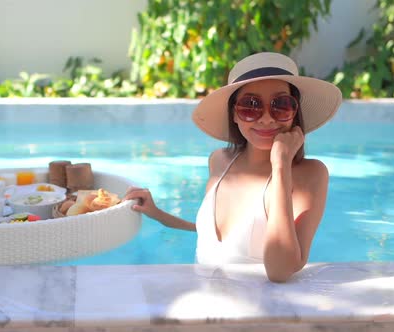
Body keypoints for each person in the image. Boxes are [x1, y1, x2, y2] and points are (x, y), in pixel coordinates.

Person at [124, 52, 342, 283]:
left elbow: (281, 271)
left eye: (281, 105)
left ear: (295, 113)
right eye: (250, 106)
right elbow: (217, 239)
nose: (267, 119)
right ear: (234, 115)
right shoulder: (220, 161)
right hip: (200, 306)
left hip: (256, 316)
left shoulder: (310, 174)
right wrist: (158, 214)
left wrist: (281, 166)